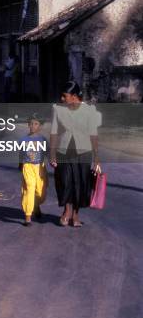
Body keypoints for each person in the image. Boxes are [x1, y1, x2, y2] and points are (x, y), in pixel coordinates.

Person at [49, 81, 101, 227]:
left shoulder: (90, 110)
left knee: (81, 183)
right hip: (63, 151)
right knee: (65, 182)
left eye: (64, 96)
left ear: (73, 96)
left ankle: (76, 214)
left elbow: (93, 134)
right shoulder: (57, 109)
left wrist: (97, 157)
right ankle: (67, 211)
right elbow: (53, 132)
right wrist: (52, 153)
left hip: (84, 152)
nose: (62, 99)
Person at [19, 113, 48, 227]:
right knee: (29, 189)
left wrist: (53, 160)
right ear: (28, 125)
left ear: (39, 126)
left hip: (40, 168)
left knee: (40, 192)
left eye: (36, 124)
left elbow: (47, 153)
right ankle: (28, 216)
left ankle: (36, 205)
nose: (33, 126)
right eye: (31, 124)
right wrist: (20, 164)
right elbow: (21, 153)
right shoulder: (23, 139)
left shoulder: (43, 140)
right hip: (28, 167)